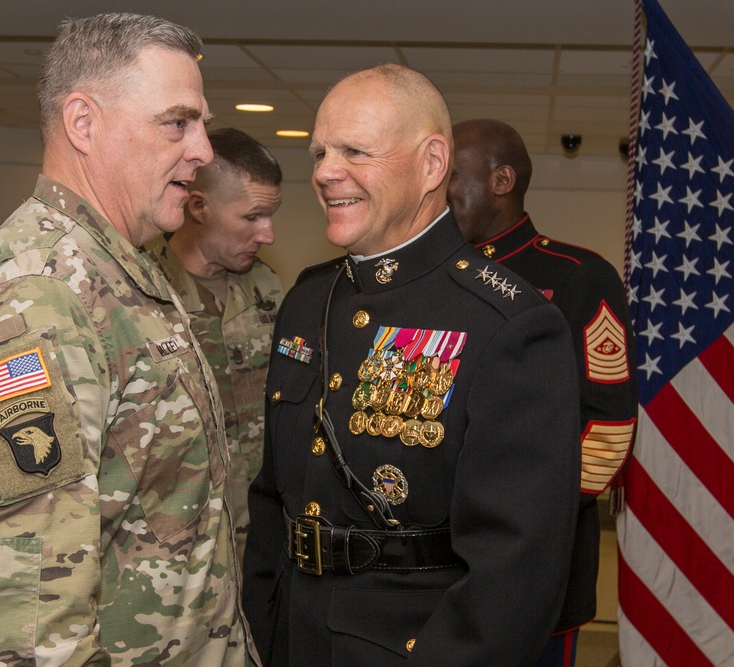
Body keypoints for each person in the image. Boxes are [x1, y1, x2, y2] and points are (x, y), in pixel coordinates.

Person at [0, 14, 258, 666]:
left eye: (202, 123)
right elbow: (23, 630)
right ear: (83, 124)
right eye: (176, 122)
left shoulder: (120, 271)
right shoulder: (40, 299)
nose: (204, 150)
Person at [242, 64, 582, 667]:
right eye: (320, 151)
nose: (323, 171)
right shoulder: (308, 299)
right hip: (292, 638)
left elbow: (515, 571)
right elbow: (274, 499)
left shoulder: (507, 324)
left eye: (355, 151)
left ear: (431, 164)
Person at [448, 118, 638, 667]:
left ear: (501, 180)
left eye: (453, 175)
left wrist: (523, 515)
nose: (439, 191)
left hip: (534, 562)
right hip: (434, 568)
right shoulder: (435, 276)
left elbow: (608, 425)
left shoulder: (579, 276)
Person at [148, 127, 283, 564]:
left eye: (271, 216)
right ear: (199, 206)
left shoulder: (266, 286)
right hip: (179, 550)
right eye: (252, 217)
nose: (268, 234)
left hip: (265, 537)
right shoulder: (142, 290)